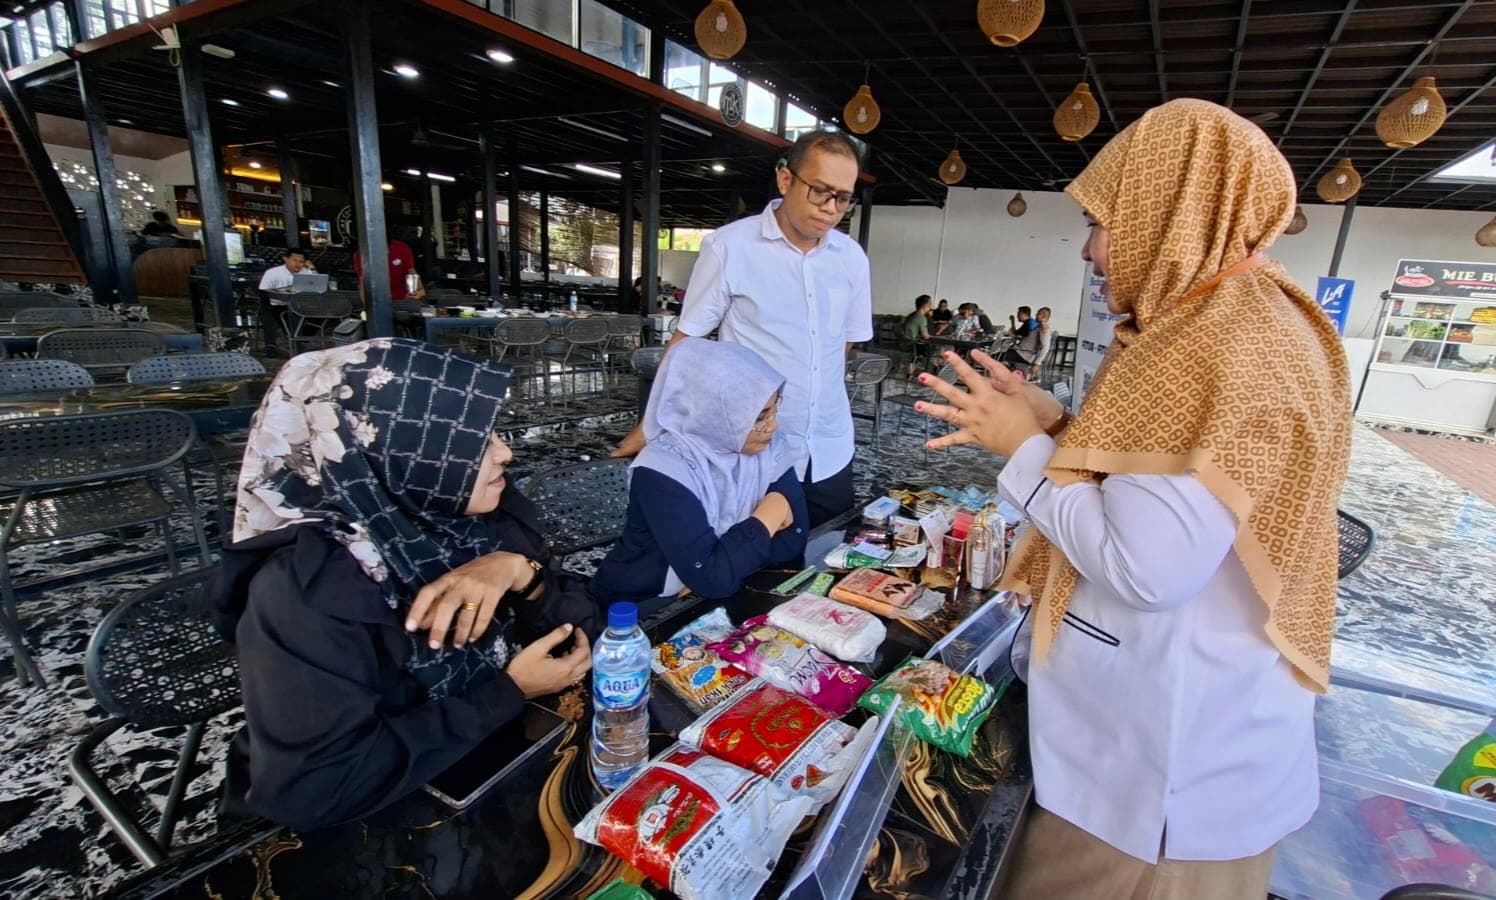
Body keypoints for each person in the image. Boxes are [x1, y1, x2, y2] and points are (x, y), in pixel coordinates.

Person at [914, 99, 1350, 899]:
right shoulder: (1243, 318)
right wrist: (1064, 427)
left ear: (1171, 207)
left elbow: (1147, 566)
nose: (1091, 248)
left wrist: (1026, 449)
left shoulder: (1219, 340)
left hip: (1159, 795)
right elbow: (1173, 483)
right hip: (1181, 763)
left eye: (1103, 220)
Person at [213, 339, 599, 831]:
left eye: (493, 432)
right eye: (471, 442)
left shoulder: (473, 521)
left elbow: (593, 634)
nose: (506, 451)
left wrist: (520, 573)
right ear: (390, 452)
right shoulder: (306, 590)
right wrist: (509, 691)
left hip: (488, 763)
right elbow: (318, 787)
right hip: (376, 822)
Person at [610, 130, 872, 527]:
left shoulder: (850, 258)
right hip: (755, 449)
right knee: (754, 566)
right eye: (820, 191)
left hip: (829, 447)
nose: (831, 209)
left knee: (826, 559)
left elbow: (844, 345)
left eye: (843, 197)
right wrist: (653, 425)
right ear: (786, 179)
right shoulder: (730, 247)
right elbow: (687, 343)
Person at [590, 338, 808, 613]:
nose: (773, 425)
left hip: (718, 599)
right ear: (714, 414)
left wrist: (724, 567)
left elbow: (796, 538)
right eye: (759, 416)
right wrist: (772, 512)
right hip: (642, 607)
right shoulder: (662, 469)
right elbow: (714, 578)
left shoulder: (768, 446)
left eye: (775, 409)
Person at [256, 248, 316, 354]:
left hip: (301, 305)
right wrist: (284, 289)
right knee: (267, 308)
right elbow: (263, 291)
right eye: (295, 260)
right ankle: (273, 345)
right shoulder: (273, 272)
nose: (298, 264)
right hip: (277, 305)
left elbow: (318, 285)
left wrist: (312, 267)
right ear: (286, 259)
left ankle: (301, 338)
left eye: (301, 262)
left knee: (323, 311)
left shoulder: (306, 272)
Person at [355, 236, 426, 302]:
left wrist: (420, 290)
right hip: (379, 298)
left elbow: (411, 271)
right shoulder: (362, 256)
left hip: (404, 295)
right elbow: (363, 283)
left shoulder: (402, 248)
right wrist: (367, 308)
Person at [1000, 303, 1045, 370]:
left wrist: (1013, 335)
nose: (1017, 316)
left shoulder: (1029, 324)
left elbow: (1015, 334)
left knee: (998, 355)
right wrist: (1012, 321)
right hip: (1027, 352)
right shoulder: (1030, 322)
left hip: (1023, 353)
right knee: (1003, 352)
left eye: (1018, 314)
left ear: (1023, 314)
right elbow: (1016, 333)